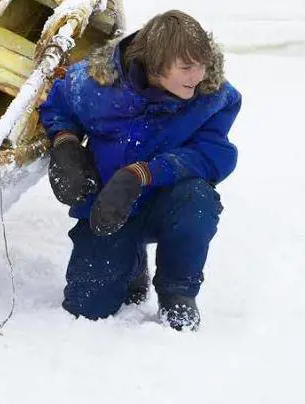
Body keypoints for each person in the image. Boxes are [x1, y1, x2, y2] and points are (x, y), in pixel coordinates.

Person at [39, 10, 241, 331]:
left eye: (202, 64)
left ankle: (178, 292)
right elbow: (57, 105)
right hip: (109, 205)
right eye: (187, 67)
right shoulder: (93, 83)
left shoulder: (213, 98)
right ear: (156, 65)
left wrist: (143, 173)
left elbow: (214, 154)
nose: (199, 75)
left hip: (168, 201)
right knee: (87, 306)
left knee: (198, 200)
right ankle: (132, 266)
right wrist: (66, 144)